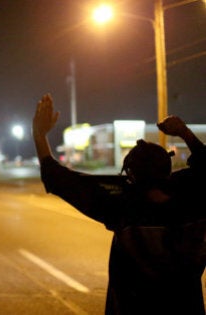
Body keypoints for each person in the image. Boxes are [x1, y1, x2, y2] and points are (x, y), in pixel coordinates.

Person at [32, 93, 206, 315]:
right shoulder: (195, 196)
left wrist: (39, 134)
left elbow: (57, 177)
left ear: (130, 174)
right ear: (168, 169)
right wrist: (185, 133)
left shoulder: (123, 204)